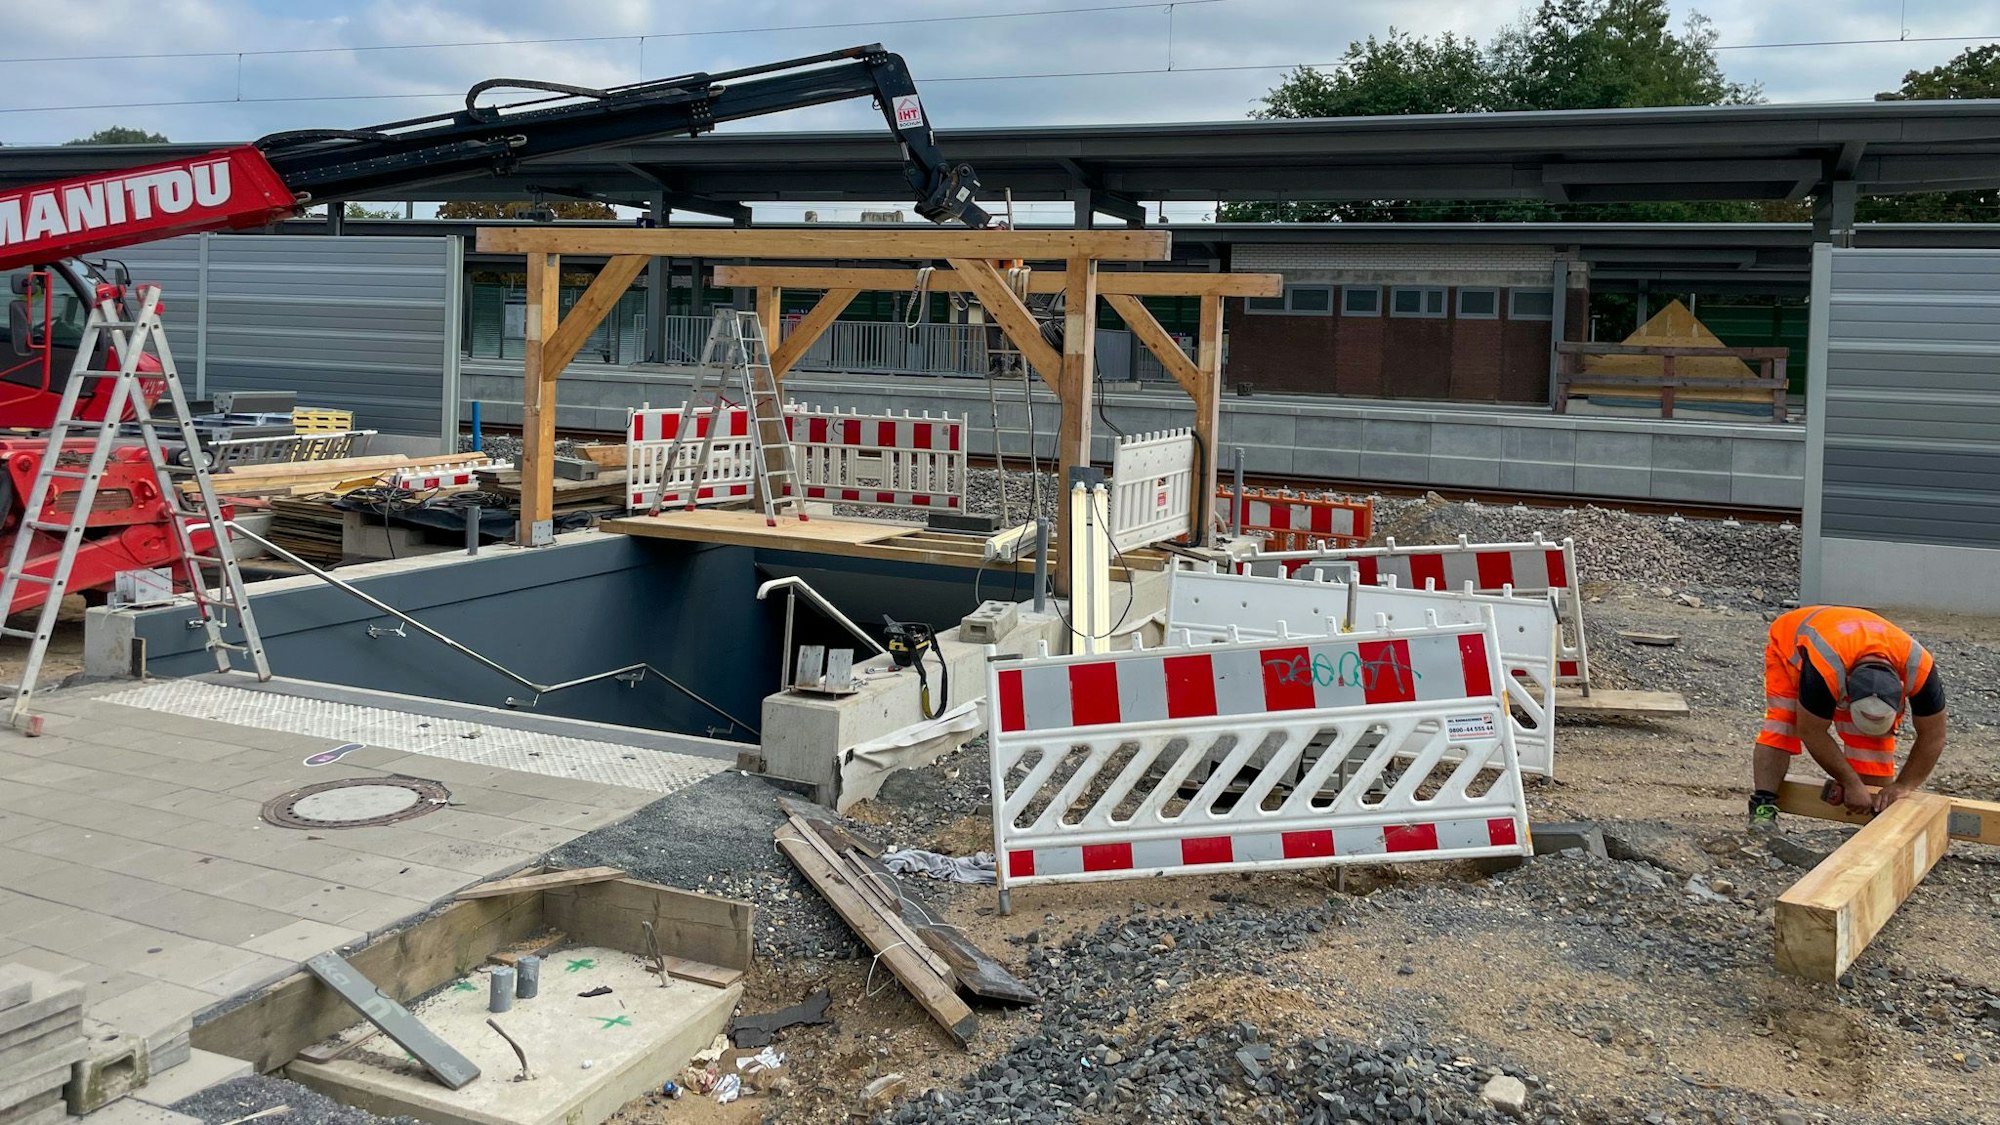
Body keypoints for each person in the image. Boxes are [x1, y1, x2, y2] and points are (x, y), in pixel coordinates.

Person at [1748, 605, 1946, 830]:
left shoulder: (1919, 667)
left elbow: (1934, 735)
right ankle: (1763, 806)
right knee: (1782, 724)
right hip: (1791, 645)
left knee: (1872, 741)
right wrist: (1850, 781)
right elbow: (1811, 731)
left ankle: (1873, 819)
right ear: (1845, 696)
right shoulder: (1826, 667)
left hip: (1848, 644)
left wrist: (1903, 785)